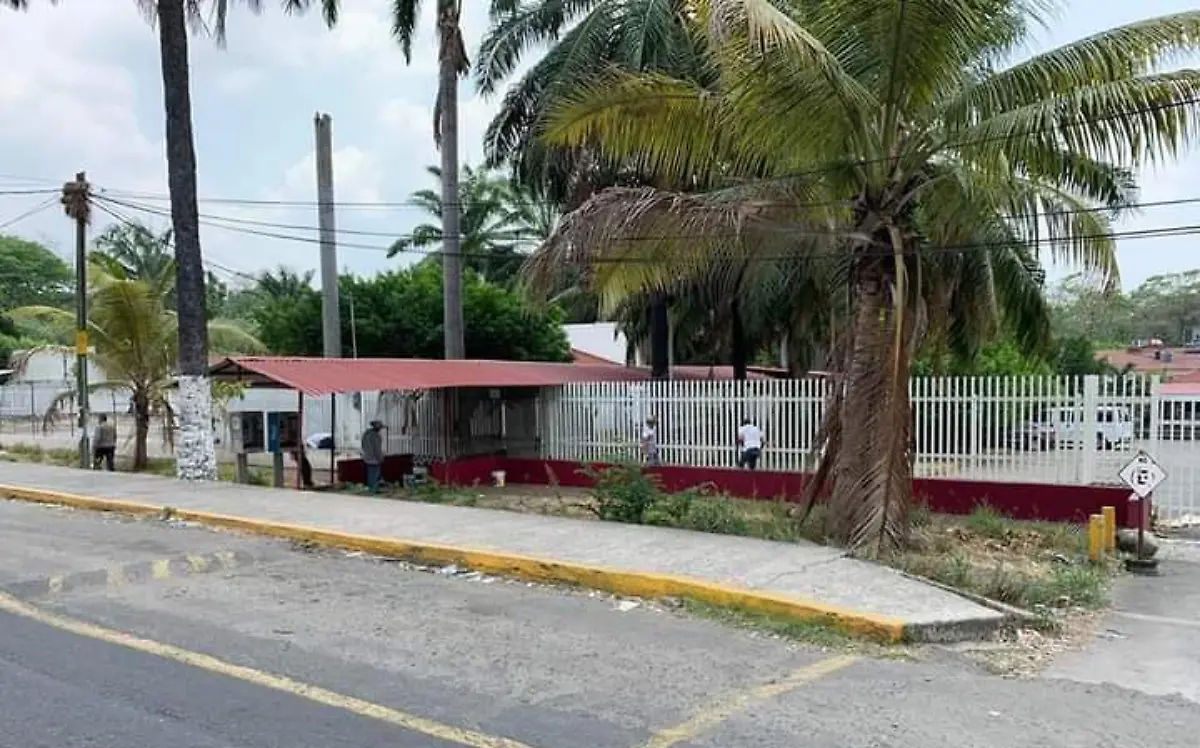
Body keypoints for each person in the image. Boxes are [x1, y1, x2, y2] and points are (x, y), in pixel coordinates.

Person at [361, 419, 385, 492]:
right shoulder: (376, 436)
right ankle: (374, 488)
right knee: (375, 475)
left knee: (370, 474)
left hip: (367, 457)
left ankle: (370, 488)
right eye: (380, 427)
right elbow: (377, 449)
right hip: (375, 459)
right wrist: (380, 458)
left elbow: (363, 445)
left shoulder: (366, 434)